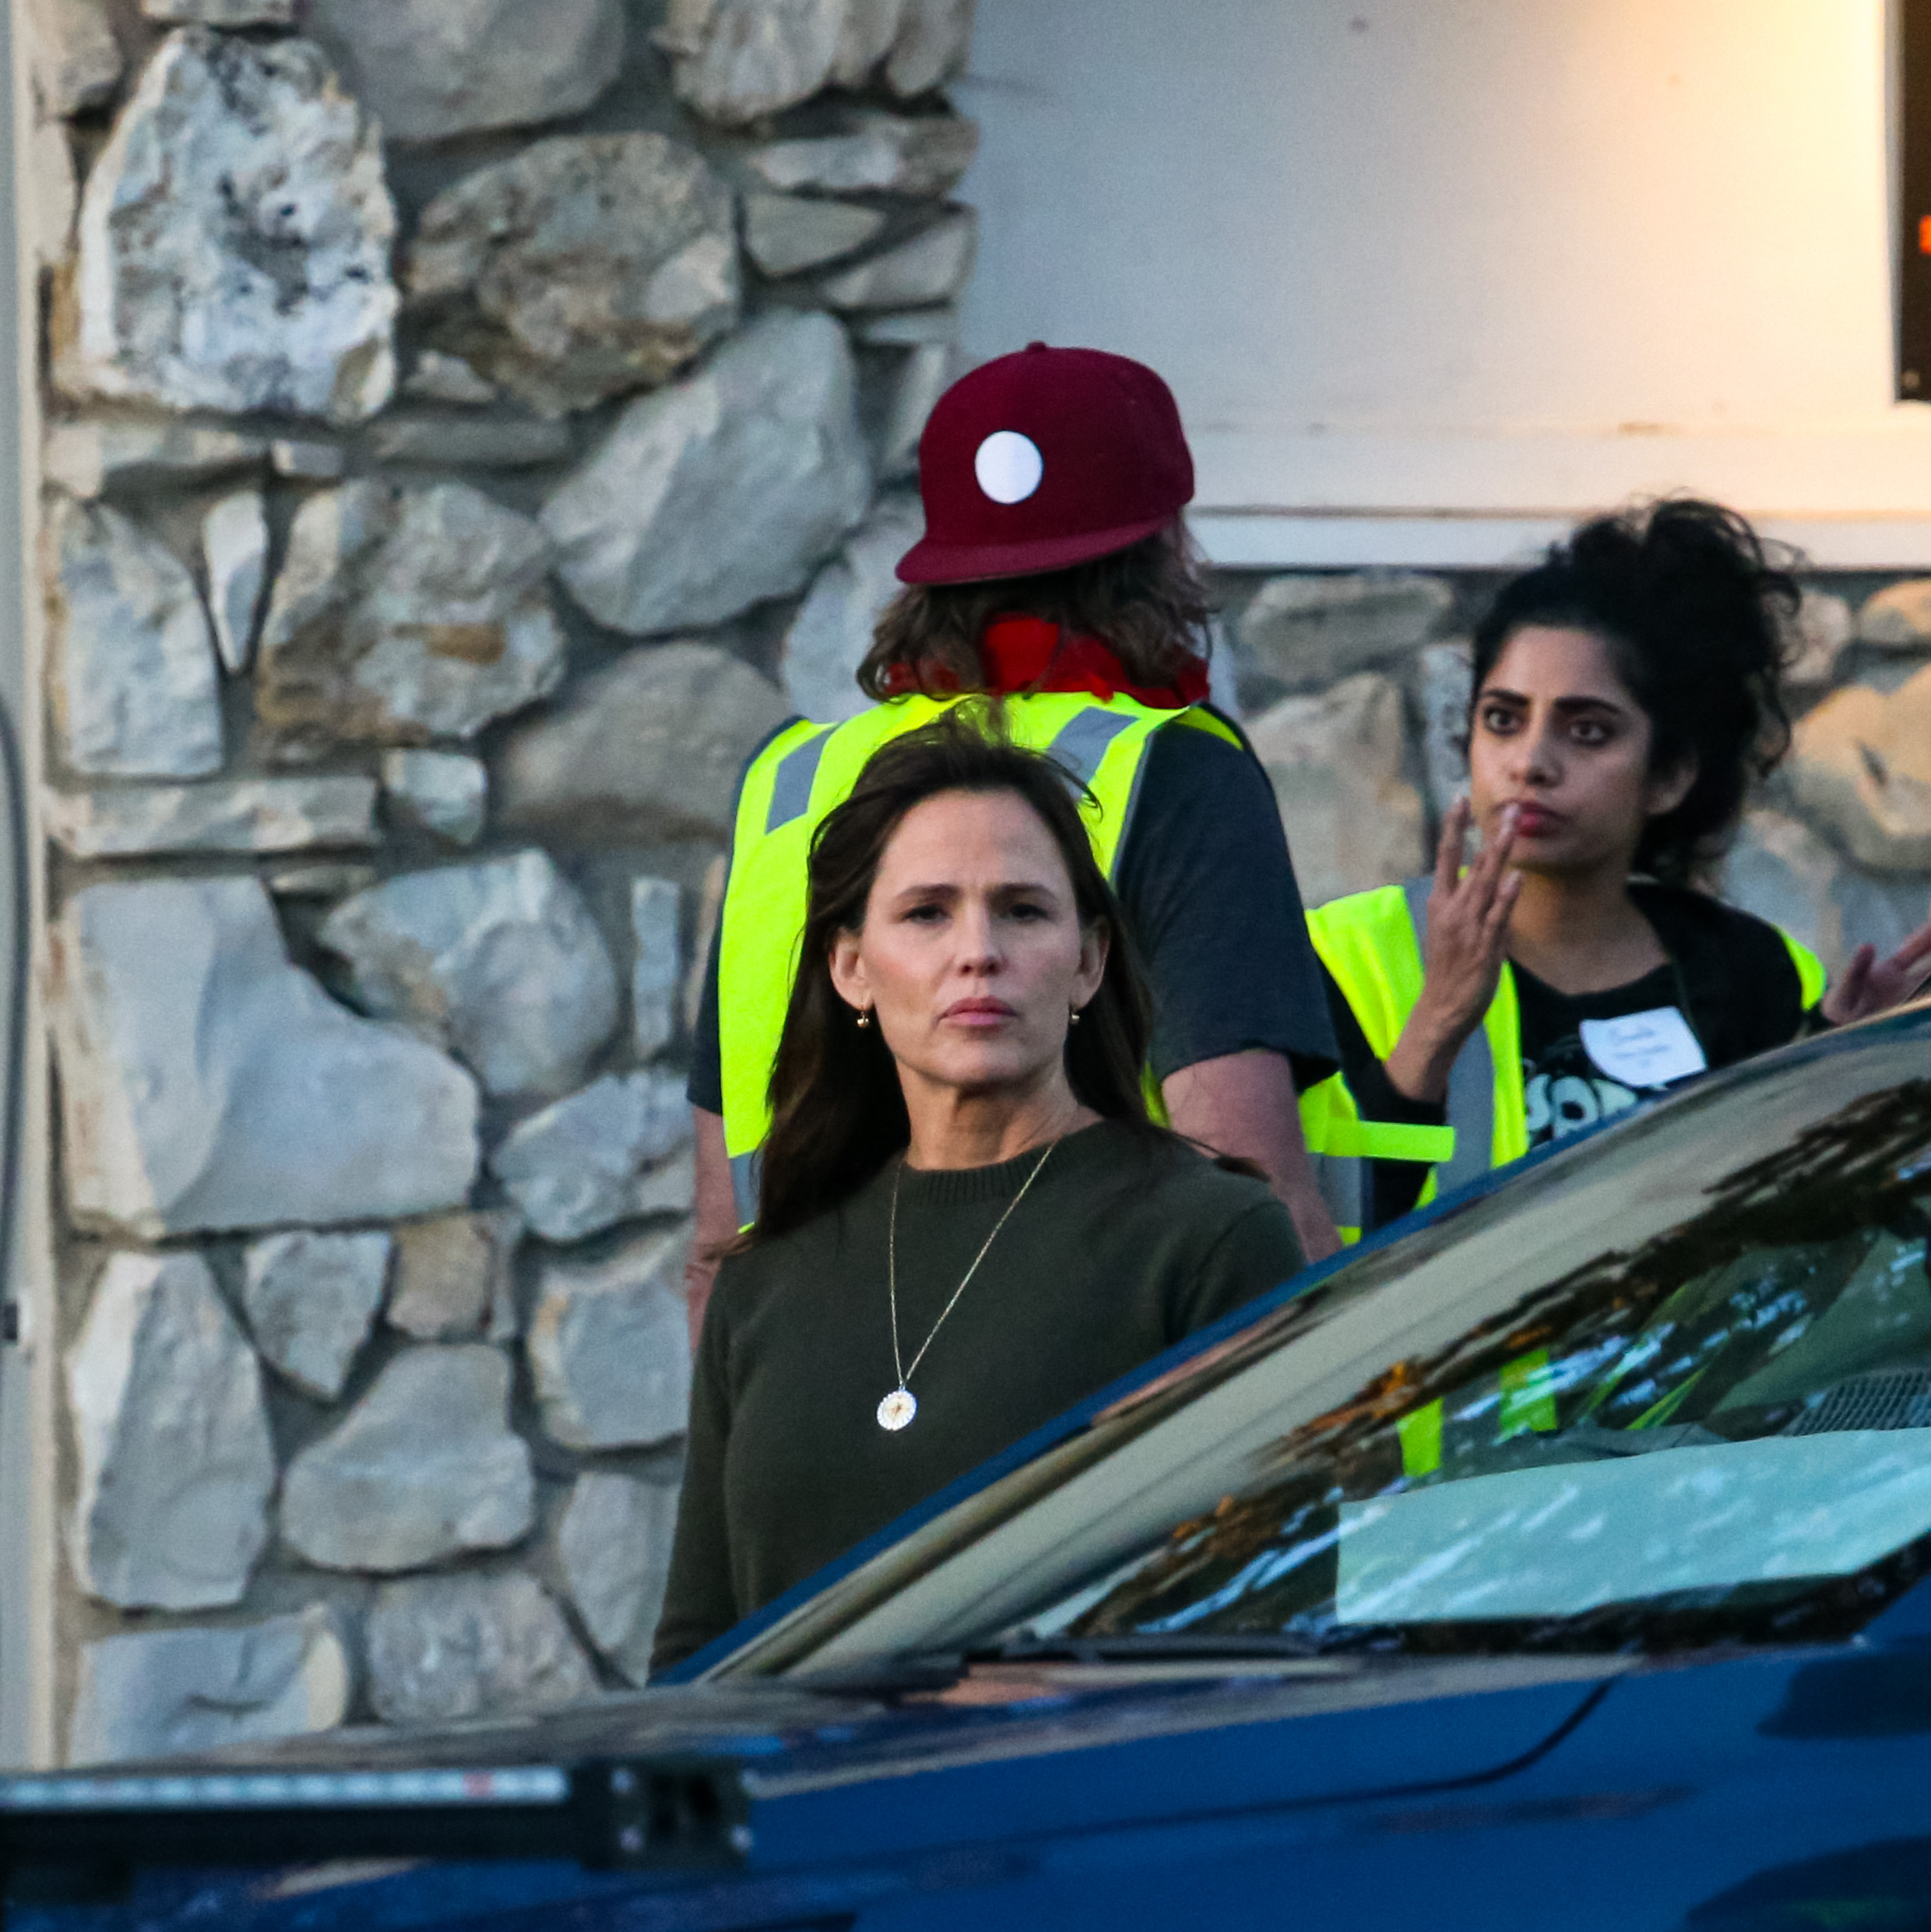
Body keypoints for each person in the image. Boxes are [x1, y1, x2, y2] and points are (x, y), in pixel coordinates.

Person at [684, 341, 1341, 1346]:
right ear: (1165, 542)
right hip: (1077, 1422)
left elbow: (714, 1245)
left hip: (809, 1407)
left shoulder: (791, 784)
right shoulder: (1174, 772)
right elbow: (1246, 1197)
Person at [653, 716, 1307, 1672]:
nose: (978, 952)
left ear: (1087, 961)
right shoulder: (765, 1278)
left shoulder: (1207, 1240)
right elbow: (694, 1653)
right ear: (851, 968)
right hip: (802, 1815)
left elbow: (1270, 1616)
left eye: (1022, 910)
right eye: (926, 913)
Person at [1299, 498, 1931, 1240]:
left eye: (1588, 731)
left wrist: (1836, 1067)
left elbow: (1792, 1246)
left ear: (1669, 776)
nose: (1531, 763)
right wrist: (1435, 1028)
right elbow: (1309, 1249)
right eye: (1502, 718)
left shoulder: (1760, 973)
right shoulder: (1339, 956)